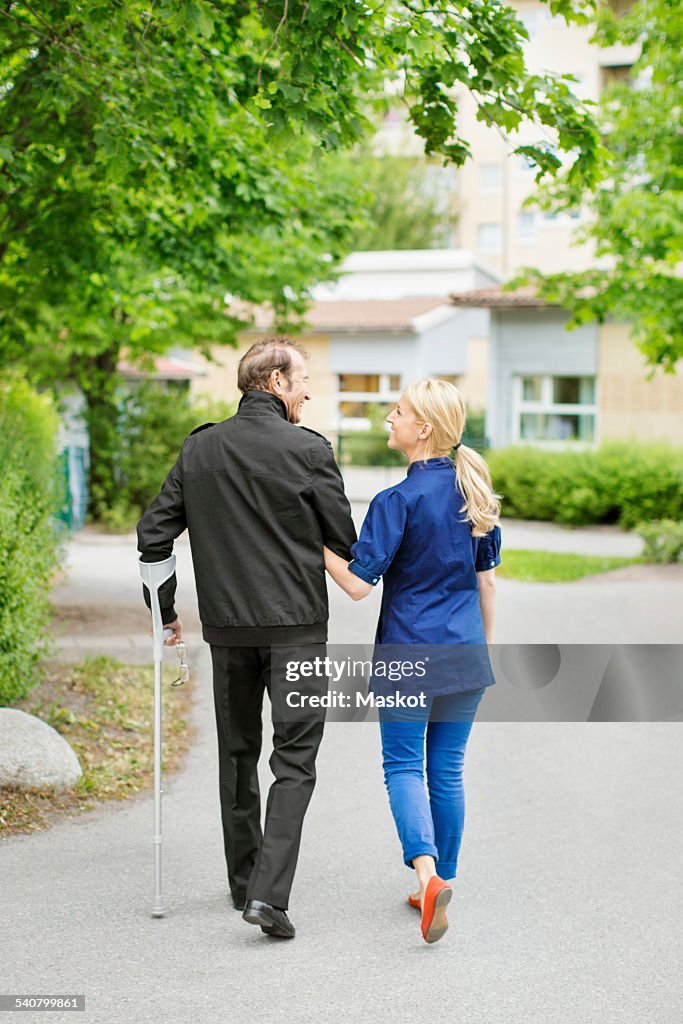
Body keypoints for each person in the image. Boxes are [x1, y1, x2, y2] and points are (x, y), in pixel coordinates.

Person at [137, 338, 357, 940]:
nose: (309, 391)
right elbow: (344, 537)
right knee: (296, 762)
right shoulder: (310, 451)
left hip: (229, 632)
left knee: (237, 756)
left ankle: (245, 884)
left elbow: (152, 535)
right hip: (299, 633)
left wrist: (166, 613)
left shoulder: (200, 448)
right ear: (278, 381)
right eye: (304, 379)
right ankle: (267, 895)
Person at [324, 378, 501, 944]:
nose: (388, 421)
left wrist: (313, 544)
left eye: (396, 413)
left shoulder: (395, 501)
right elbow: (487, 585)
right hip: (466, 655)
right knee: (446, 771)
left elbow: (355, 585)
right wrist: (483, 654)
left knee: (404, 768)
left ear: (422, 428)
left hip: (408, 653)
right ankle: (441, 879)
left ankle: (426, 879)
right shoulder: (473, 492)